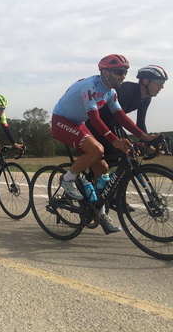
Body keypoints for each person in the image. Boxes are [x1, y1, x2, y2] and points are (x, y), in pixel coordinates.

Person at [52, 54, 159, 234]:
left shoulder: (110, 92)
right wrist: (114, 140)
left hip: (77, 123)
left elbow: (121, 117)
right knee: (97, 149)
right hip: (61, 121)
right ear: (104, 72)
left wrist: (144, 136)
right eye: (119, 71)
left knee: (102, 168)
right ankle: (67, 179)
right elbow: (94, 119)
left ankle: (99, 212)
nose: (123, 75)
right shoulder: (90, 86)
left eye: (125, 72)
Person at [86, 64, 168, 157]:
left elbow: (140, 123)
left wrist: (148, 143)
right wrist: (127, 144)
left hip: (112, 123)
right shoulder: (127, 90)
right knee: (112, 157)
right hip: (96, 123)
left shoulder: (146, 98)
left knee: (128, 156)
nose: (162, 87)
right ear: (146, 81)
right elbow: (117, 120)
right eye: (159, 82)